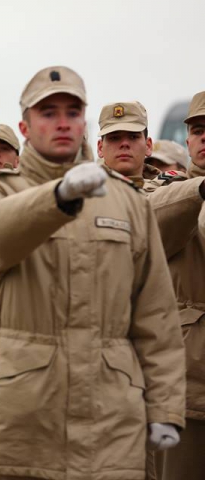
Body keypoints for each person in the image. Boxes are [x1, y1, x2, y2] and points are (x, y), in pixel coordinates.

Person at [0, 66, 186, 480]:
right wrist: (59, 196)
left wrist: (165, 406)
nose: (62, 122)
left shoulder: (128, 201)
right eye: (48, 113)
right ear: (26, 126)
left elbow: (156, 313)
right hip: (25, 410)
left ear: (83, 122)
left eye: (71, 111)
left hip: (112, 410)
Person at [153, 90, 205, 480]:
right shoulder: (167, 191)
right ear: (187, 141)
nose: (204, 138)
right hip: (189, 382)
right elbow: (151, 223)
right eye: (198, 130)